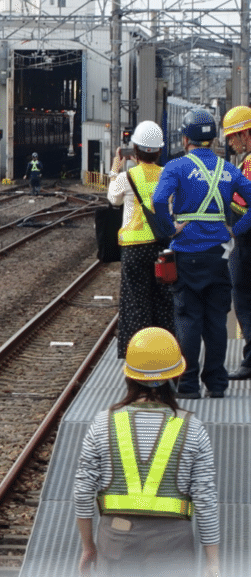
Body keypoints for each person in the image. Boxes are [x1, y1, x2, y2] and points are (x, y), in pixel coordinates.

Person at [74, 327, 219, 577]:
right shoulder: (193, 428)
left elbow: (83, 491)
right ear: (175, 375)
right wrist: (213, 560)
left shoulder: (103, 423)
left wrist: (88, 546)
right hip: (173, 548)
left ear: (129, 375)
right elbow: (205, 498)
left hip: (116, 542)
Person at [152, 107, 251, 399]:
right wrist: (236, 229)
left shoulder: (176, 167)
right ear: (214, 139)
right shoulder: (229, 169)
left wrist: (169, 229)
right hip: (219, 255)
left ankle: (188, 384)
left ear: (185, 140)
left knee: (188, 318)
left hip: (186, 254)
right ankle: (217, 384)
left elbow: (159, 200)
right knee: (216, 320)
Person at [106, 121, 173, 357]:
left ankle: (138, 353)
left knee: (135, 303)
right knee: (163, 301)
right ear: (159, 151)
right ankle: (164, 351)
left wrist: (115, 167)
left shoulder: (127, 177)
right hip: (161, 246)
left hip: (134, 248)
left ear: (135, 150)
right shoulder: (166, 175)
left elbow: (113, 199)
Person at [223, 104, 251, 379]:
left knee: (244, 301)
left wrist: (234, 229)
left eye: (233, 137)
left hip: (247, 245)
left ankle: (250, 361)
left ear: (245, 134)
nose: (231, 143)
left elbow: (244, 206)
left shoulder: (250, 164)